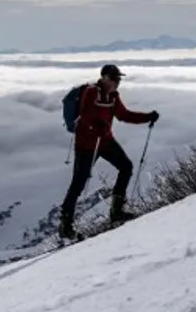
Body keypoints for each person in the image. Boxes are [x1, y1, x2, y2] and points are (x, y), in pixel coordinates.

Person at [59, 63, 158, 240]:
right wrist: (94, 125)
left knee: (126, 167)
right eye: (115, 78)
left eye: (119, 78)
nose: (118, 81)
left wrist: (147, 117)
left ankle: (116, 212)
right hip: (86, 145)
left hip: (105, 141)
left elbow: (124, 115)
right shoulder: (91, 93)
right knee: (78, 184)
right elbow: (85, 117)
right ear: (104, 78)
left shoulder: (113, 96)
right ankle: (65, 226)